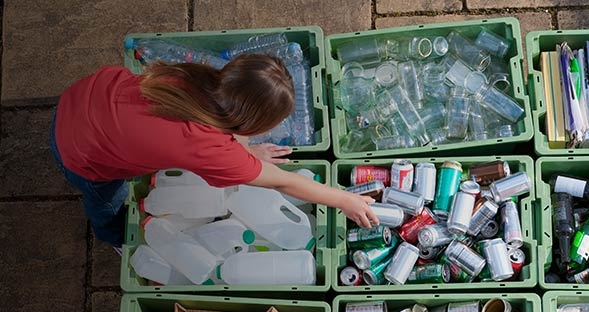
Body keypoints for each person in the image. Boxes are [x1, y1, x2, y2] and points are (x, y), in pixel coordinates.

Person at [50, 53, 377, 250]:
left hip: (82, 98)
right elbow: (283, 182)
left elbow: (218, 128)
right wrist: (344, 200)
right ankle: (112, 236)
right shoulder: (207, 146)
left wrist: (248, 154)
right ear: (253, 123)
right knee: (106, 201)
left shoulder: (196, 77)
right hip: (81, 154)